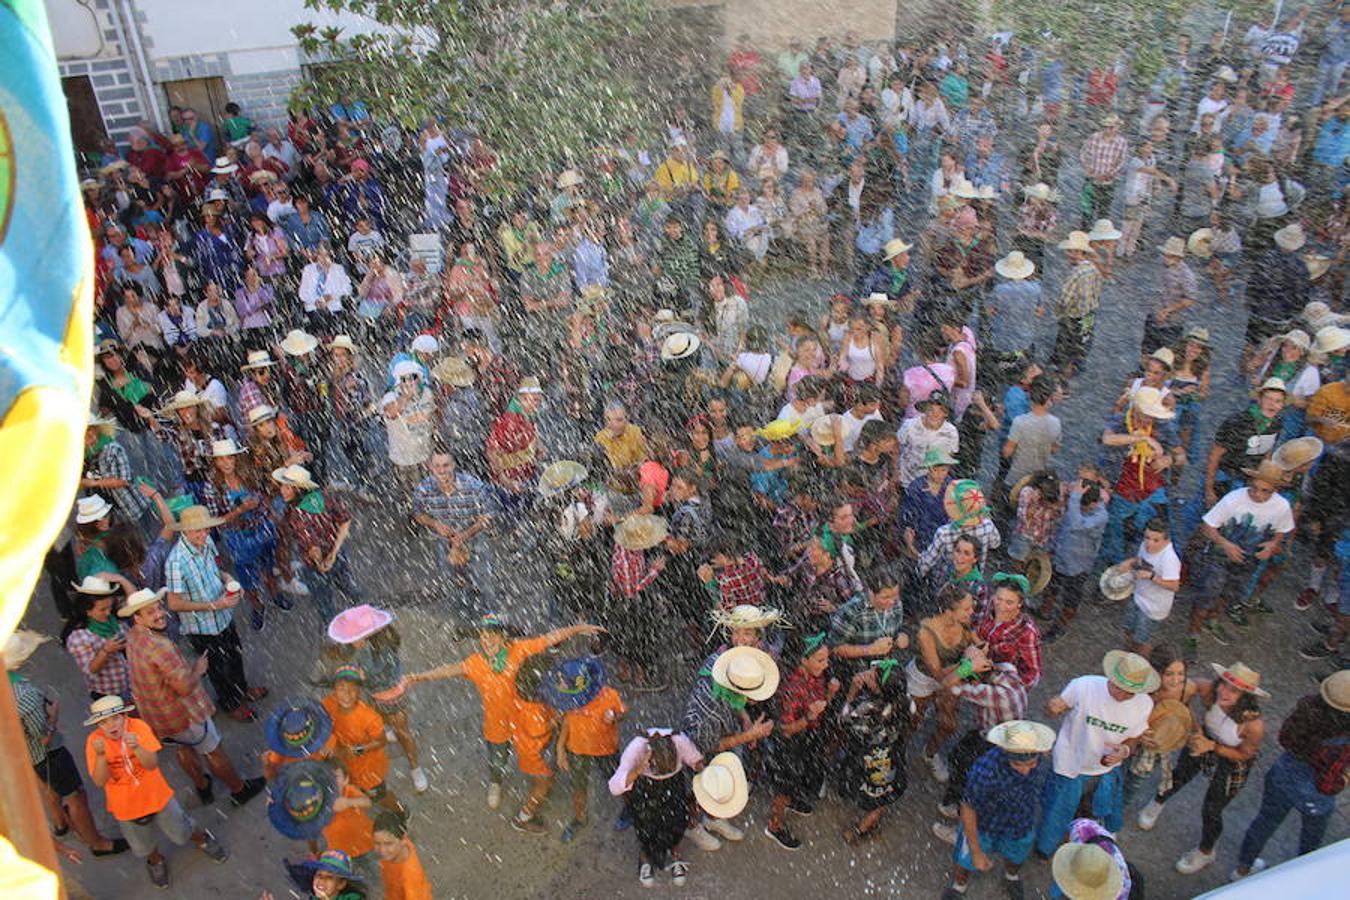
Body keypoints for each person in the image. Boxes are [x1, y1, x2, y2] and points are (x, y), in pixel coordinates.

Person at [405, 616, 602, 828]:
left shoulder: (520, 649)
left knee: (535, 752)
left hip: (525, 724)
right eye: (482, 636)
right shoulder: (475, 663)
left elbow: (549, 639)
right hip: (497, 727)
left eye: (491, 635)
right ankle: (496, 782)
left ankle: (539, 775)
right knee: (497, 760)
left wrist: (578, 628)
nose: (486, 640)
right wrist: (417, 677)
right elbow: (447, 671)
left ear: (502, 636)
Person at [122, 587, 265, 807]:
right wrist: (198, 670)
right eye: (150, 612)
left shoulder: (133, 637)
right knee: (212, 750)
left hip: (159, 717)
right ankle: (239, 790)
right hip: (183, 714)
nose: (160, 614)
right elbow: (183, 688)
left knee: (182, 748)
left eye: (158, 608)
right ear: (137, 618)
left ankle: (202, 787)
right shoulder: (160, 646)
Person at [84, 695, 228, 888]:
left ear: (124, 716)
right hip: (126, 808)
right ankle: (155, 861)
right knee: (143, 845)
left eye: (115, 718)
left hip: (157, 796)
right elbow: (99, 780)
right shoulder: (94, 742)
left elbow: (151, 764)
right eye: (104, 721)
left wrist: (137, 747)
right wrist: (101, 756)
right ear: (97, 725)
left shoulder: (139, 728)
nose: (111, 725)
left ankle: (202, 839)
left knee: (181, 829)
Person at [1136, 661, 1267, 875]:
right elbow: (1186, 687)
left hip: (1231, 760)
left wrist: (1213, 747)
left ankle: (1206, 851)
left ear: (1245, 696)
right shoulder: (1209, 689)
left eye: (1234, 691)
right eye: (1223, 685)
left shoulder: (1253, 725)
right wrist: (1183, 712)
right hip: (1203, 739)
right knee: (1178, 775)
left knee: (1212, 809)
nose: (1224, 692)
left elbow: (1245, 754)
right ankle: (1157, 803)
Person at [7, 630, 129, 857]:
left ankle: (60, 823)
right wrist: (53, 716)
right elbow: (44, 737)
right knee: (75, 796)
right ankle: (97, 843)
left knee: (50, 788)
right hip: (47, 754)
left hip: (26, 756)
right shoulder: (23, 696)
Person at [1035, 651, 1157, 856]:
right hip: (1070, 764)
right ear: (1110, 677)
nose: (1121, 695)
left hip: (1105, 770)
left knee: (1090, 812)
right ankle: (1045, 850)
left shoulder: (1145, 704)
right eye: (1118, 687)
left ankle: (1075, 843)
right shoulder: (1084, 686)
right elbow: (1050, 710)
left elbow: (1134, 737)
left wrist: (1125, 750)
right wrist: (1052, 707)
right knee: (1056, 811)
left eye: (1129, 692)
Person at [1231, 670, 1349, 880]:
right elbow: (1328, 785)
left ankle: (1242, 871)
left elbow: (1284, 738)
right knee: (1310, 840)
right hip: (1314, 796)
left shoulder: (1307, 707)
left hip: (1282, 774)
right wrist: (1345, 780)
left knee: (1264, 822)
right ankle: (1300, 878)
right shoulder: (1344, 742)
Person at [163, 505, 268, 721]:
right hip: (202, 626)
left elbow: (215, 569)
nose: (203, 534)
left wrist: (227, 578)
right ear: (184, 532)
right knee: (218, 669)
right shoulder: (175, 562)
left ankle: (242, 690)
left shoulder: (207, 542)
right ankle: (230, 704)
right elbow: (173, 603)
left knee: (234, 655)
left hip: (223, 616)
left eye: (205, 529)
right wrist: (212, 606)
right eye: (197, 531)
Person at [1182, 460, 1296, 660]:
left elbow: (1283, 530)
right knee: (1206, 596)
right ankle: (1193, 636)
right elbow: (1207, 527)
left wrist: (1272, 545)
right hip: (1219, 557)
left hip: (1248, 561)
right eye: (1254, 488)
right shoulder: (1233, 499)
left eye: (1264, 491)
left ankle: (1214, 621)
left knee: (1229, 594)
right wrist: (1225, 544)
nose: (1257, 495)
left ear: (1275, 489)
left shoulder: (1282, 506)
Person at [939, 720, 1055, 900]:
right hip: (984, 825)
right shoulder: (985, 770)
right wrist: (976, 851)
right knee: (966, 860)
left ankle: (1011, 876)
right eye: (1018, 765)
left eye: (1031, 764)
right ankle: (958, 886)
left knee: (1017, 856)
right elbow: (968, 808)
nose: (1025, 771)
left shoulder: (1039, 756)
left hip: (1020, 822)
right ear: (1007, 753)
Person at [763, 631, 839, 850]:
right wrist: (809, 717)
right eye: (820, 660)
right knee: (783, 787)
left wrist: (830, 694)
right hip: (788, 746)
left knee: (799, 775)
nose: (825, 665)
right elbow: (785, 730)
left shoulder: (816, 675)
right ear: (803, 660)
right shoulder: (791, 689)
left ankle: (792, 800)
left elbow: (819, 704)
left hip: (806, 738)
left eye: (827, 659)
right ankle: (774, 826)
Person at [608, 729, 703, 887]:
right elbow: (614, 786)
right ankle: (645, 856)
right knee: (645, 822)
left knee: (678, 818)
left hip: (674, 784)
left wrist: (707, 776)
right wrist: (638, 769)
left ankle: (675, 854)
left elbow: (696, 761)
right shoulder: (636, 748)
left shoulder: (679, 740)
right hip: (645, 784)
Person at [549, 656, 626, 843]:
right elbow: (567, 721)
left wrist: (614, 717)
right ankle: (580, 818)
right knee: (578, 786)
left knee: (619, 780)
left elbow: (622, 712)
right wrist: (560, 748)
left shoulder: (609, 695)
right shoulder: (568, 697)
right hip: (576, 749)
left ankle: (630, 808)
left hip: (605, 749)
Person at [1120, 518, 1183, 659]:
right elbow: (1141, 560)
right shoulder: (1144, 545)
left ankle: (1141, 666)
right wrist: (1130, 562)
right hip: (1138, 597)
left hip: (1153, 608)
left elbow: (1174, 585)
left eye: (1156, 540)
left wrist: (1152, 577)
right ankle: (1126, 658)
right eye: (1147, 538)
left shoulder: (1169, 559)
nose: (1149, 543)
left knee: (1142, 642)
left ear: (1166, 541)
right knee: (1128, 630)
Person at [371, 812, 432, 900]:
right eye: (377, 843)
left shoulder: (410, 878)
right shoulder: (400, 848)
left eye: (388, 844)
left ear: (403, 839)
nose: (382, 850)